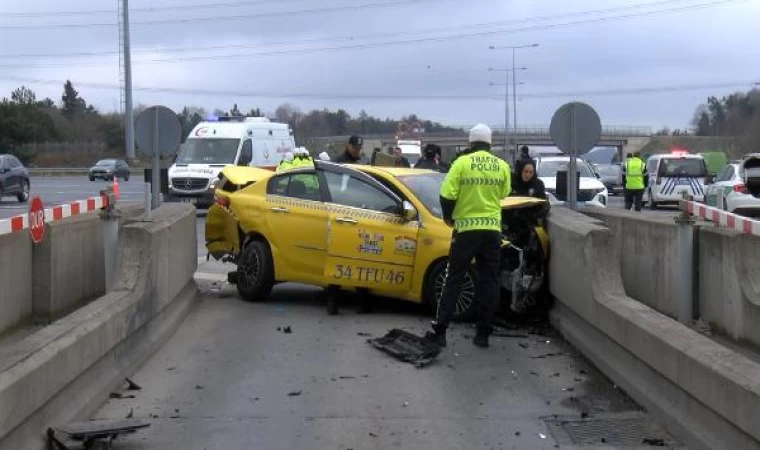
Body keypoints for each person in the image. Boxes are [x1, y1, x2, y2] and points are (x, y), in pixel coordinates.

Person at [426, 124, 511, 349]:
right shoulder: (501, 165)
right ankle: (483, 334)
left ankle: (441, 330)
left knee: (453, 278)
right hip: (492, 231)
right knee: (490, 280)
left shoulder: (461, 163)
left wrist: (449, 218)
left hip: (465, 231)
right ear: (490, 143)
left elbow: (446, 195)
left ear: (470, 143)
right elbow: (504, 193)